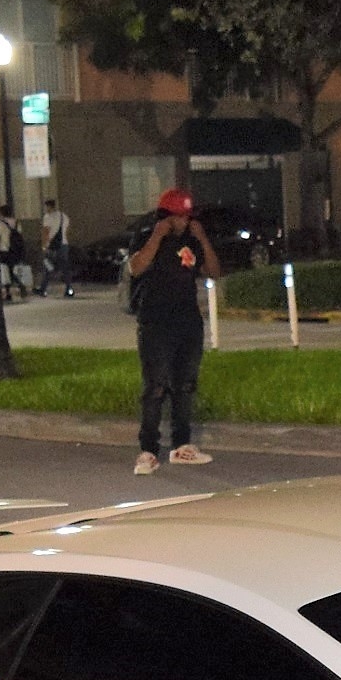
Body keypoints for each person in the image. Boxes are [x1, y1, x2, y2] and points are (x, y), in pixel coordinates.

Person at [124, 187, 219, 475]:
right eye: (180, 216)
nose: (185, 222)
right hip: (155, 322)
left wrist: (202, 237)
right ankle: (148, 449)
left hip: (188, 321)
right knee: (155, 386)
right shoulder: (146, 237)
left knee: (185, 384)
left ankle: (182, 444)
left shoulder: (192, 239)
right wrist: (157, 235)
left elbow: (213, 271)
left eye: (188, 216)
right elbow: (136, 268)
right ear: (166, 216)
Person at [38, 197, 73, 297]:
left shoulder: (48, 217)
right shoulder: (64, 216)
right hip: (64, 245)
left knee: (48, 266)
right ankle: (69, 289)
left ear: (48, 206)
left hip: (52, 246)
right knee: (65, 268)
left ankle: (43, 289)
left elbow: (46, 232)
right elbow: (67, 230)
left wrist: (44, 246)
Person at [0, 207, 29, 300]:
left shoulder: (0, 224)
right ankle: (20, 285)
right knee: (11, 270)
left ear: (1, 213)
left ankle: (8, 292)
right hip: (15, 251)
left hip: (4, 250)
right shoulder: (17, 222)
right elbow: (20, 236)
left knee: (4, 271)